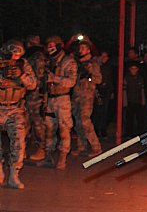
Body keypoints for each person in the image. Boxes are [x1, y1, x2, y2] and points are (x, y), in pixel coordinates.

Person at [0, 39, 37, 188]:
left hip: (15, 109)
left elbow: (33, 84)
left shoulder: (23, 64)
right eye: (12, 53)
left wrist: (20, 75)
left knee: (18, 143)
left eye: (17, 54)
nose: (14, 57)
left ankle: (14, 174)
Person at [41, 35, 77, 170]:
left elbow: (71, 82)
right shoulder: (49, 61)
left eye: (52, 46)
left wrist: (55, 78)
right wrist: (45, 101)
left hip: (63, 99)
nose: (50, 48)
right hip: (50, 99)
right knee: (49, 129)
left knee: (64, 129)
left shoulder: (68, 61)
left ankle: (62, 158)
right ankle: (48, 156)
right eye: (48, 46)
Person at [71, 40, 102, 157]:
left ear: (88, 50)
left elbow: (99, 79)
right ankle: (81, 146)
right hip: (76, 95)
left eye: (83, 48)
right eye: (80, 48)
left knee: (85, 121)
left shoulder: (92, 63)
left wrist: (89, 76)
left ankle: (96, 146)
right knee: (78, 122)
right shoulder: (76, 63)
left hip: (87, 96)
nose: (81, 50)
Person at [24, 34, 48, 161]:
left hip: (35, 94)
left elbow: (39, 76)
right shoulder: (29, 56)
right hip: (28, 94)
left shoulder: (38, 56)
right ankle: (23, 148)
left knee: (37, 121)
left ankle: (41, 148)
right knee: (26, 121)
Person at [123, 61, 145, 137]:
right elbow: (124, 90)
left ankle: (140, 133)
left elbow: (142, 90)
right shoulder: (126, 78)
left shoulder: (140, 78)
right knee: (129, 119)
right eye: (132, 68)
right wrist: (125, 102)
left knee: (140, 118)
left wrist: (143, 101)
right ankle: (129, 133)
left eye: (135, 68)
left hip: (138, 101)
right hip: (129, 101)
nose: (133, 70)